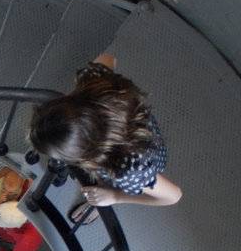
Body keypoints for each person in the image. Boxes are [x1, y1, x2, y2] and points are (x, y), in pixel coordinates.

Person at [28, 53, 182, 222]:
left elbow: (173, 196)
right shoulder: (93, 81)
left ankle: (100, 197)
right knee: (92, 182)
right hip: (129, 122)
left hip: (136, 153)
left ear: (85, 154)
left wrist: (115, 196)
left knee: (102, 188)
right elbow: (108, 58)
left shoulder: (130, 170)